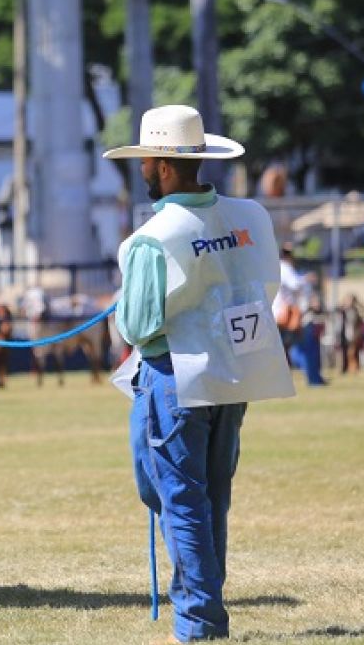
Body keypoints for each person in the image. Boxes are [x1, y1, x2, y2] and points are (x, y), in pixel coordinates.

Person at [103, 105, 296, 643]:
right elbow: (267, 288)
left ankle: (199, 619)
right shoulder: (249, 216)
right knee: (212, 494)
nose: (142, 172)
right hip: (232, 371)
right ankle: (203, 605)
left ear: (163, 167)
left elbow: (138, 326)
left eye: (146, 162)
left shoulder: (153, 236)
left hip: (173, 374)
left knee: (179, 498)